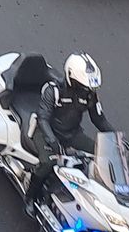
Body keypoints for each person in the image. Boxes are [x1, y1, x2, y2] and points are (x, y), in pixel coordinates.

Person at [24, 53, 113, 214]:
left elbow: (100, 120)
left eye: (90, 88)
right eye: (84, 87)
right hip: (45, 132)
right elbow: (43, 118)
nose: (88, 91)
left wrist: (116, 140)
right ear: (73, 80)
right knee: (48, 163)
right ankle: (30, 196)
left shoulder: (89, 96)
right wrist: (52, 142)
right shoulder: (53, 91)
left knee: (101, 155)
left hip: (72, 134)